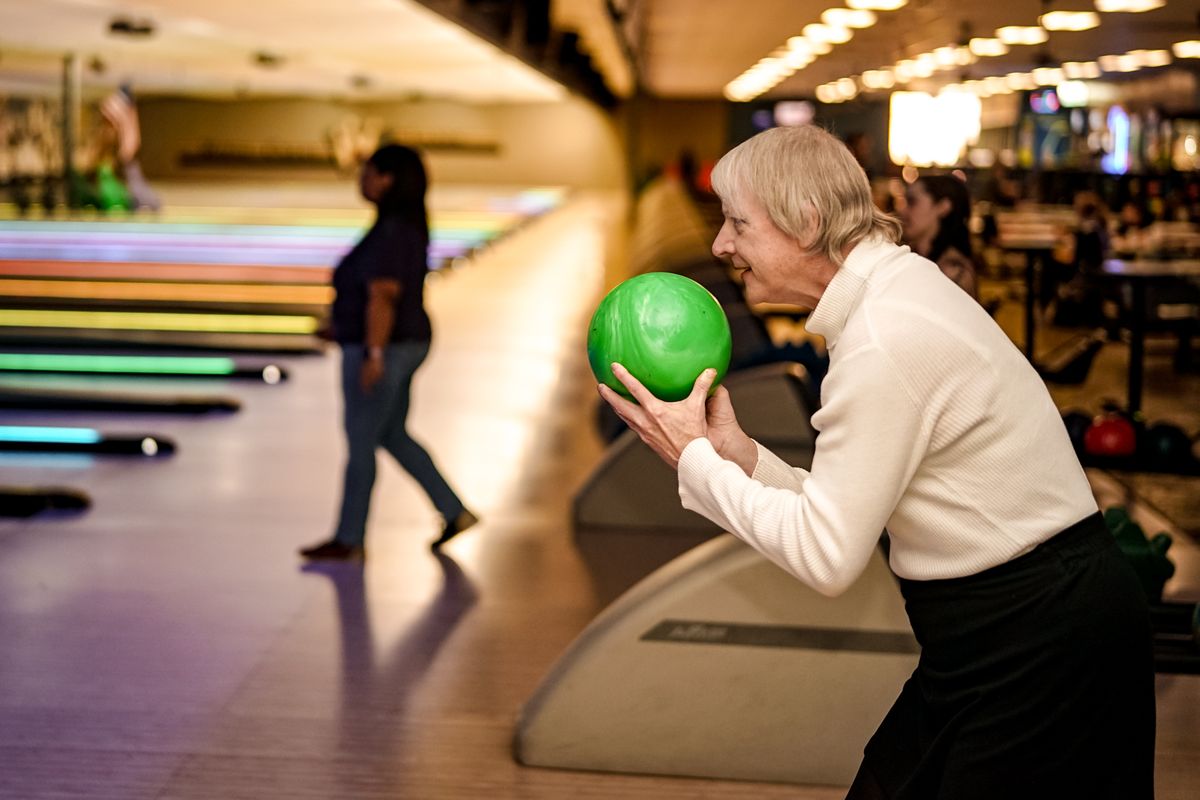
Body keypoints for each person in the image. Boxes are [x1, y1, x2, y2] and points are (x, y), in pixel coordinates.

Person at [598, 125, 1154, 799]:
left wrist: (691, 460)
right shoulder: (887, 298)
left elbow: (827, 556)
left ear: (804, 222)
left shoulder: (883, 337)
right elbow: (840, 508)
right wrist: (736, 455)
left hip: (1045, 643)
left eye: (738, 223)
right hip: (993, 635)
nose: (721, 246)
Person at [301, 144, 477, 560]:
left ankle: (349, 539)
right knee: (392, 434)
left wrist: (373, 354)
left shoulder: (395, 228)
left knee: (361, 441)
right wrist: (341, 325)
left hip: (387, 347)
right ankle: (454, 511)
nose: (361, 178)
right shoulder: (400, 224)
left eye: (368, 171)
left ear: (387, 180)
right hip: (402, 341)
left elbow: (383, 295)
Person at [901, 174, 978, 299]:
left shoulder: (953, 272)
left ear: (943, 207)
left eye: (912, 202)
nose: (903, 211)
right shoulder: (912, 257)